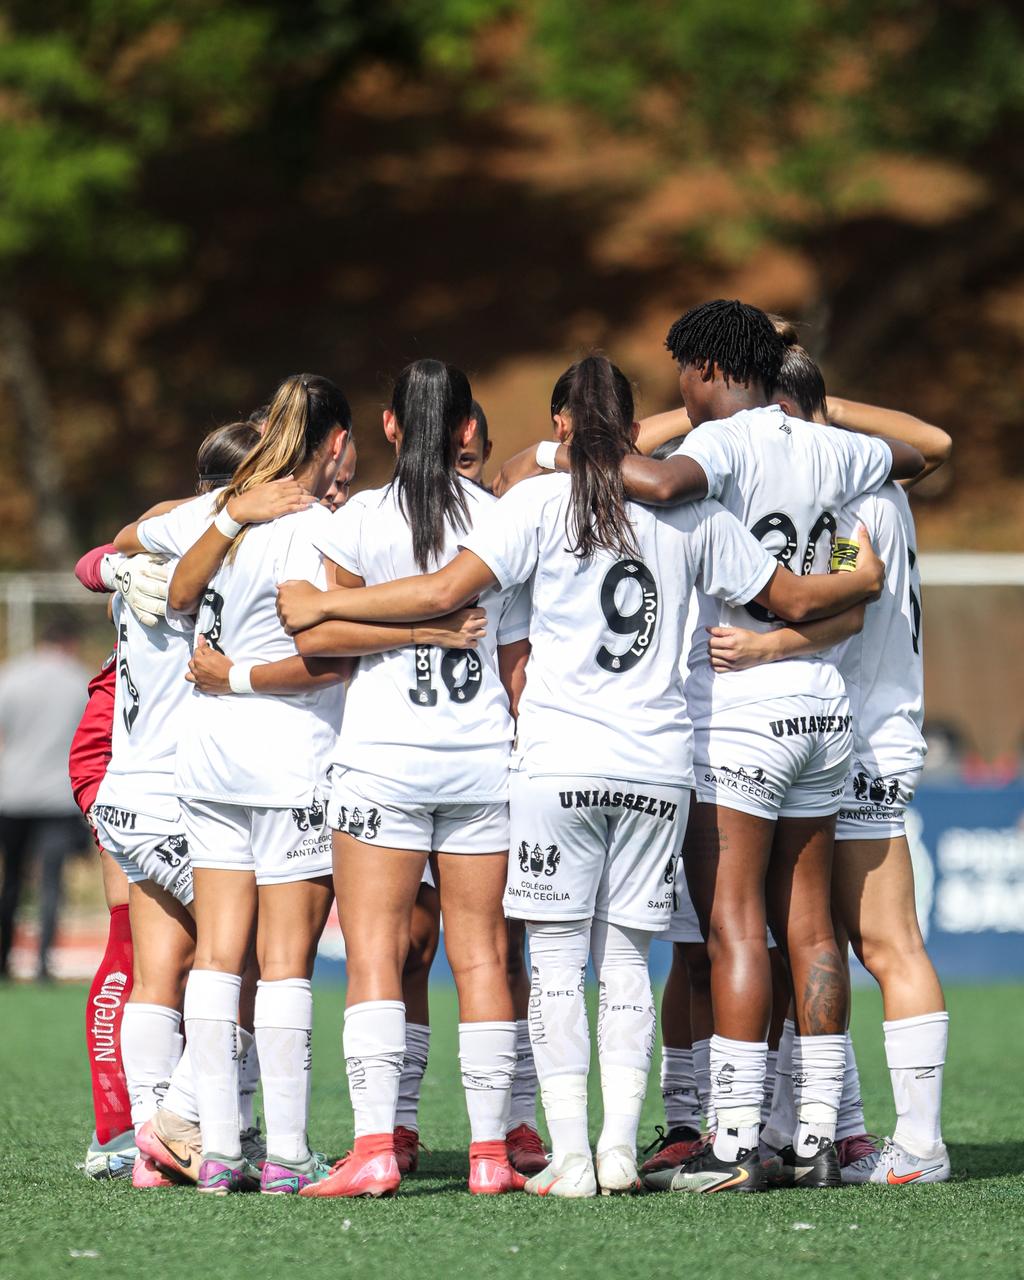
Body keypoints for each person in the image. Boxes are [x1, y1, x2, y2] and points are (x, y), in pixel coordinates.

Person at [277, 352, 886, 1197]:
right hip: (657, 767)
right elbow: (787, 598)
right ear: (634, 431)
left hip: (554, 762)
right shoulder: (694, 514)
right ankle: (617, 1151)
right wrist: (862, 575)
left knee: (557, 963)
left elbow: (444, 591)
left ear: (561, 426)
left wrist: (323, 605)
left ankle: (566, 1155)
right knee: (627, 964)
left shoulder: (531, 503)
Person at [495, 300, 925, 1193]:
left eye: (686, 377)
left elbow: (656, 487)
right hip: (823, 705)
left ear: (709, 370)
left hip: (737, 706)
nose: (684, 395)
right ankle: (817, 1136)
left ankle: (731, 1141)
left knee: (731, 925)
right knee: (811, 928)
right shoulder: (832, 446)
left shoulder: (722, 441)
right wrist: (853, 565)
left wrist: (568, 448)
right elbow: (918, 455)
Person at [275, 358, 529, 1199]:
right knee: (483, 955)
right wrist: (434, 627)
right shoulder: (501, 519)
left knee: (376, 954)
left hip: (382, 758)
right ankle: (490, 1156)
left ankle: (377, 1149)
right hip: (482, 757)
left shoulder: (356, 521)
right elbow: (517, 664)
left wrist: (340, 608)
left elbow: (320, 639)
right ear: (467, 429)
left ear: (388, 426)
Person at [711, 335, 952, 1185]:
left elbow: (851, 596)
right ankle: (809, 1126)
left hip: (864, 733)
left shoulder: (853, 496)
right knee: (813, 936)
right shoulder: (878, 486)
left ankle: (917, 1144)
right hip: (871, 724)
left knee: (884, 942)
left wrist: (765, 647)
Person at [0, 608, 91, 981]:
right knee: (52, 882)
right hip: (58, 798)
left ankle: (3, 958)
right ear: (70, 643)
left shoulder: (12, 676)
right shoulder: (80, 681)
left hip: (13, 795)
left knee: (11, 880)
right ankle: (43, 964)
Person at [455, 399, 493, 488]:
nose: (452, 476)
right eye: (437, 461)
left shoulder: (510, 496)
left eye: (464, 460)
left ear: (486, 453)